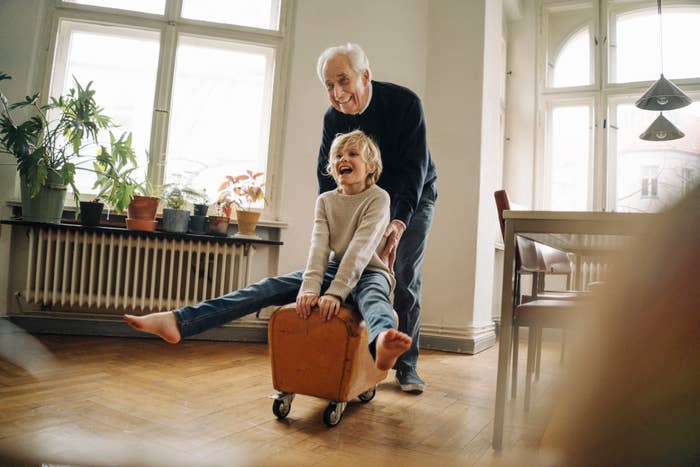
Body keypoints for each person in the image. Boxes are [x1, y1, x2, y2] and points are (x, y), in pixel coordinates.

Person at [124, 130, 412, 372]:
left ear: (371, 166)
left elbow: (361, 250)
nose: (343, 160)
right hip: (336, 269)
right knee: (269, 286)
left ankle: (382, 341)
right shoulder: (325, 201)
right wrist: (311, 288)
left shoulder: (378, 198)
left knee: (374, 299)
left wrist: (336, 292)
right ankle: (179, 321)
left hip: (372, 271)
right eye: (338, 156)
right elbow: (319, 247)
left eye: (352, 154)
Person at [316, 43, 437, 393]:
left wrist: (397, 222)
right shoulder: (332, 117)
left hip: (411, 195)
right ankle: (361, 359)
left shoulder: (405, 103)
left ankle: (407, 365)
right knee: (352, 270)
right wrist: (326, 222)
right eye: (328, 85)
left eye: (343, 81)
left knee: (402, 274)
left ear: (364, 76)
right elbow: (326, 176)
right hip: (359, 197)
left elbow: (414, 171)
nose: (337, 94)